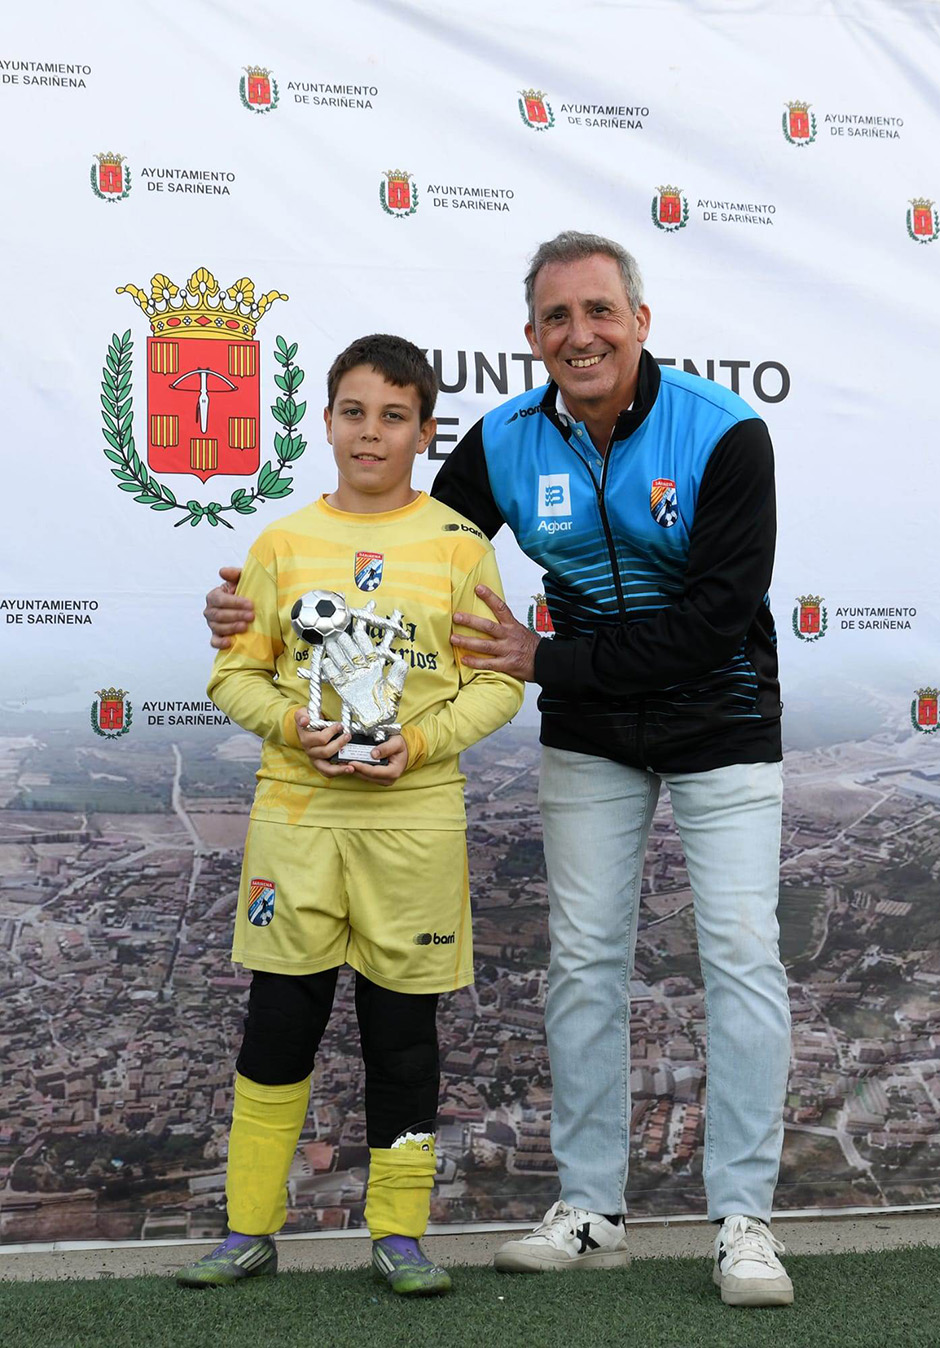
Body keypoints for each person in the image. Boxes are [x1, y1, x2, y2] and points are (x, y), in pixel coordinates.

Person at [203, 233, 793, 1308]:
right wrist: (258, 612)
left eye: (600, 311)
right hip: (591, 726)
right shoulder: (504, 440)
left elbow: (715, 622)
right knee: (584, 961)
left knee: (742, 956)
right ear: (530, 336)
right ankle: (590, 1208)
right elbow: (408, 555)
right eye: (557, 317)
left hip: (719, 715)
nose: (581, 334)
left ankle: (744, 1218)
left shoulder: (724, 431)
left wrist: (542, 659)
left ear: (640, 321)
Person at [178, 334, 523, 1297]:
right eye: (356, 413)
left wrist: (421, 742)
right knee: (278, 1026)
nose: (373, 433)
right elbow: (235, 676)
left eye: (395, 416)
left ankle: (399, 1235)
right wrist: (293, 726)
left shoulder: (460, 545)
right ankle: (247, 1228)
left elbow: (500, 684)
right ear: (326, 422)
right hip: (297, 826)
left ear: (425, 432)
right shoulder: (280, 545)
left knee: (402, 1039)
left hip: (414, 828)